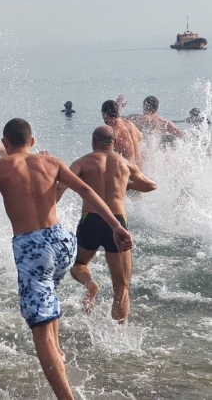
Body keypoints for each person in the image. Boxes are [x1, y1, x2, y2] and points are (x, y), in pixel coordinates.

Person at [0, 118, 134, 400]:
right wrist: (117, 226)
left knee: (40, 328)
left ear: (5, 144)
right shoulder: (53, 162)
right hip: (63, 243)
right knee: (49, 294)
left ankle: (65, 395)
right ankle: (58, 352)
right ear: (32, 142)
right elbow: (87, 191)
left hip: (33, 249)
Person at [62, 126, 157, 323]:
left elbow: (62, 185)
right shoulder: (125, 164)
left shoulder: (82, 162)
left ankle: (90, 284)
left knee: (78, 264)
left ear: (93, 142)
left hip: (91, 219)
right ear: (114, 143)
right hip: (118, 221)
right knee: (122, 286)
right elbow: (150, 185)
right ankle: (119, 335)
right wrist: (126, 186)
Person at [101, 100, 142, 165]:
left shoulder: (112, 132)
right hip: (138, 169)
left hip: (125, 171)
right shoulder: (130, 124)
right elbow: (140, 137)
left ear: (105, 115)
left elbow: (101, 155)